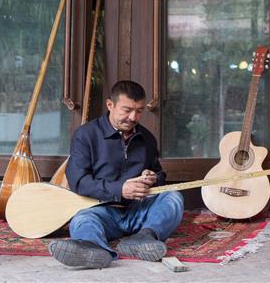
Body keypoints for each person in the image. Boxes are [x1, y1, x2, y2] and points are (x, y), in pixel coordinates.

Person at [49, 80, 183, 269]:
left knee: (173, 197)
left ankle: (144, 238)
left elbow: (159, 174)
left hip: (138, 211)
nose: (133, 117)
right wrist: (120, 189)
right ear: (110, 105)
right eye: (126, 110)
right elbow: (78, 181)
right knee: (81, 220)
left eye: (139, 111)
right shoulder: (85, 135)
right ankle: (94, 249)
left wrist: (153, 177)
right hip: (102, 211)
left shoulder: (147, 138)